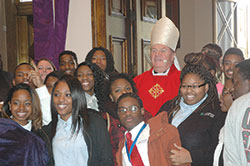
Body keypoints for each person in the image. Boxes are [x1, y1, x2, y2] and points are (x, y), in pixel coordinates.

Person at [158, 56, 226, 166]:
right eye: (184, 86)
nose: (189, 91)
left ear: (206, 87)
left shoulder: (216, 112)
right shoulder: (168, 107)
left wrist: (192, 157)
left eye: (195, 86)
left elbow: (220, 150)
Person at [43, 75, 114, 166]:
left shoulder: (94, 122)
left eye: (67, 95)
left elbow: (106, 160)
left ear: (77, 96)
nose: (61, 99)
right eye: (57, 95)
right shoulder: (48, 131)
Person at [116, 93, 188, 166]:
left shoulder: (165, 132)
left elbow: (181, 163)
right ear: (118, 114)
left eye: (133, 108)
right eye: (122, 110)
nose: (128, 113)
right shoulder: (122, 147)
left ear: (142, 111)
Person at [133, 16, 181, 116]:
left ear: (173, 55)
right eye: (154, 50)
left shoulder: (182, 80)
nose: (157, 54)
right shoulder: (137, 81)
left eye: (163, 50)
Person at [104, 73, 152, 165]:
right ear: (111, 96)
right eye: (118, 90)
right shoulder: (106, 118)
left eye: (128, 88)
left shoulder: (145, 115)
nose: (124, 92)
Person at [1, 83, 50, 165]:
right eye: (16, 103)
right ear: (10, 105)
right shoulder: (2, 129)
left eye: (27, 103)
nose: (21, 108)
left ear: (33, 105)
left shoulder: (40, 135)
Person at [223, 59, 250, 166]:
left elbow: (231, 159)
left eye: (235, 81)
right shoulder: (237, 106)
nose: (232, 88)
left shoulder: (238, 105)